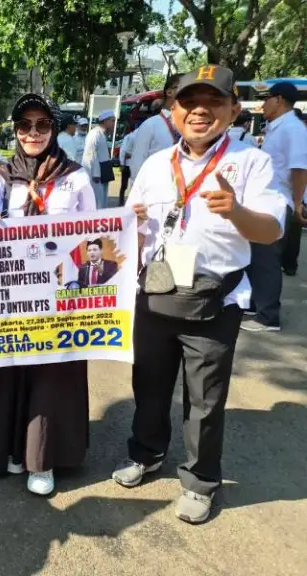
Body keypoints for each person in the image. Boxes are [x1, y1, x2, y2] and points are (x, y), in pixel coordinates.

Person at [112, 65, 286, 524]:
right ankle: (146, 454)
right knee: (148, 386)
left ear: (233, 110)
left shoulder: (251, 162)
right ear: (174, 111)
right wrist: (129, 227)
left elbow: (270, 231)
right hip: (154, 294)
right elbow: (132, 228)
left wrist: (237, 212)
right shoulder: (154, 164)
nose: (199, 111)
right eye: (189, 102)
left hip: (214, 302)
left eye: (213, 101)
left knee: (204, 399)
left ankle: (199, 480)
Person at [0, 94, 95, 495]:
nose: (33, 133)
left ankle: (43, 461)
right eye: (24, 125)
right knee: (8, 369)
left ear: (54, 129)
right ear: (15, 130)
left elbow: (94, 231)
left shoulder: (75, 177)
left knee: (49, 374)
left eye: (42, 125)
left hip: (59, 292)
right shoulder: (2, 176)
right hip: (10, 291)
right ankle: (8, 448)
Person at [243, 82, 307, 331]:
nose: (263, 104)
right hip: (262, 199)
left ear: (279, 100)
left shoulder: (292, 129)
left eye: (266, 98)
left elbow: (300, 169)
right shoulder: (277, 127)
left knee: (266, 259)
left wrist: (298, 203)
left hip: (277, 202)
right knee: (253, 256)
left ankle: (268, 315)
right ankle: (251, 303)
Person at [129, 74, 182, 180]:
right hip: (155, 189)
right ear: (169, 92)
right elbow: (137, 165)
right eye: (182, 86)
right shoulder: (150, 125)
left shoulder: (189, 127)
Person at [82, 110, 116, 209]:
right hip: (96, 175)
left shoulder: (102, 134)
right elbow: (89, 155)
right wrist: (95, 175)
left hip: (103, 172)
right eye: (112, 121)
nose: (114, 124)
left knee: (103, 199)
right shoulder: (94, 134)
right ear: (105, 121)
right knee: (97, 202)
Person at [118, 129, 136, 206]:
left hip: (130, 165)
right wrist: (122, 163)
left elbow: (123, 151)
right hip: (128, 165)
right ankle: (122, 202)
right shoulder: (129, 137)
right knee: (125, 185)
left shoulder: (130, 137)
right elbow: (123, 152)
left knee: (126, 185)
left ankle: (123, 202)